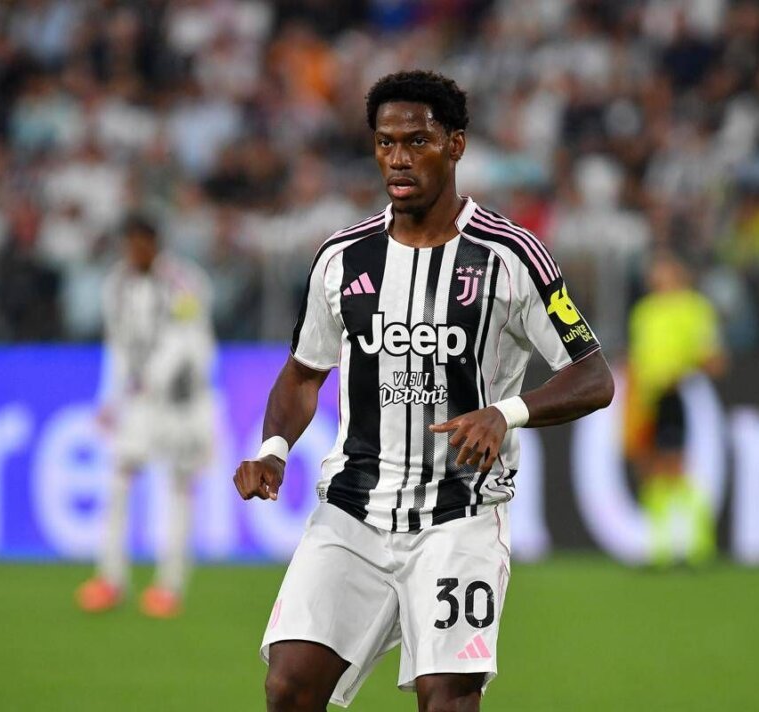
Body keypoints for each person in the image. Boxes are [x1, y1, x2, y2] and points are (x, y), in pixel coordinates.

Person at [233, 71, 614, 711]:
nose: (399, 158)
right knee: (289, 686)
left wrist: (506, 413)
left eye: (417, 141)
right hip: (353, 511)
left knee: (448, 699)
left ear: (455, 145)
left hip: (459, 517)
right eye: (385, 143)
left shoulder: (510, 256)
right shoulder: (343, 258)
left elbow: (593, 375)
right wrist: (274, 449)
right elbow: (303, 372)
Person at [76, 214, 215, 618]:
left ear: (155, 244)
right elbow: (117, 345)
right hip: (140, 400)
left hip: (183, 401)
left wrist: (156, 379)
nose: (134, 252)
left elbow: (191, 340)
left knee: (179, 486)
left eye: (141, 244)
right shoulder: (116, 285)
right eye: (129, 244)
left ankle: (169, 585)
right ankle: (111, 579)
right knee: (119, 478)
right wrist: (110, 397)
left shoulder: (183, 282)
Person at [624, 251, 726, 568]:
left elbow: (713, 359)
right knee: (649, 470)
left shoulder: (693, 307)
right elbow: (638, 357)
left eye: (663, 270)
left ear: (678, 274)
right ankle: (659, 548)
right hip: (643, 400)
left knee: (674, 466)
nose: (656, 277)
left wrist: (680, 371)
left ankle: (698, 545)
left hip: (673, 394)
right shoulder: (643, 311)